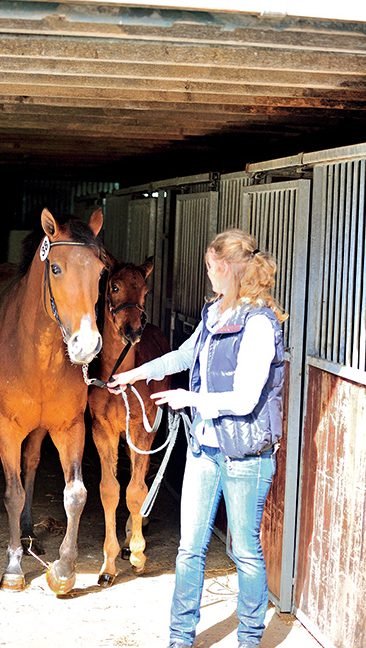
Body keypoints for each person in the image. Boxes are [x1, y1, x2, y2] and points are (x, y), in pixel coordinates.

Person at [107, 229, 287, 648]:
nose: (206, 274)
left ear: (229, 268)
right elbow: (184, 356)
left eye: (210, 267)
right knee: (189, 548)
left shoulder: (259, 323)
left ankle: (249, 638)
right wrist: (135, 374)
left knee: (245, 552)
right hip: (205, 449)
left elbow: (245, 399)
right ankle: (180, 638)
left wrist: (189, 398)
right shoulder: (215, 313)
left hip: (246, 454)